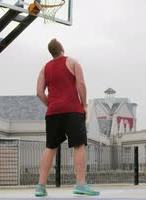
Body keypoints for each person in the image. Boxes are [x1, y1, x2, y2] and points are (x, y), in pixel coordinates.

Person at [34, 39, 99, 197]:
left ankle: (40, 187)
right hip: (72, 110)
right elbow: (81, 84)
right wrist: (84, 105)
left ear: (51, 52)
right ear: (62, 48)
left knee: (50, 147)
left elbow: (39, 93)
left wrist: (52, 104)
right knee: (79, 145)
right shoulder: (73, 62)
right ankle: (80, 184)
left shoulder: (45, 68)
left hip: (53, 112)